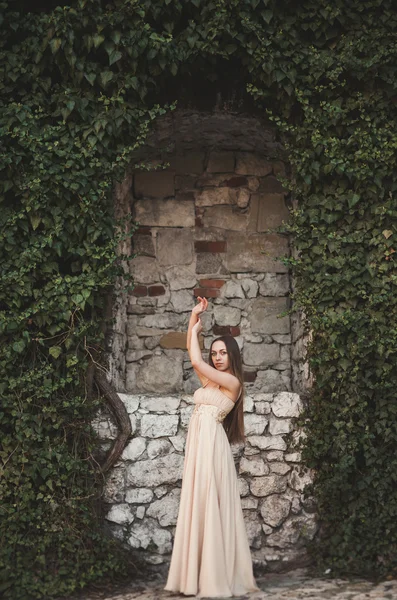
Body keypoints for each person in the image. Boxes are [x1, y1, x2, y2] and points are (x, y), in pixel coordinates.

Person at [165, 297, 258, 597]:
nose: (217, 358)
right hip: (199, 446)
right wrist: (193, 317)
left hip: (212, 447)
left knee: (209, 500)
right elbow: (193, 354)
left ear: (232, 356)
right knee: (198, 501)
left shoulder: (232, 383)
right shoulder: (209, 382)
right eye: (214, 353)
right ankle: (197, 576)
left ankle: (216, 577)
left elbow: (194, 359)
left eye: (222, 353)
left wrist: (195, 330)